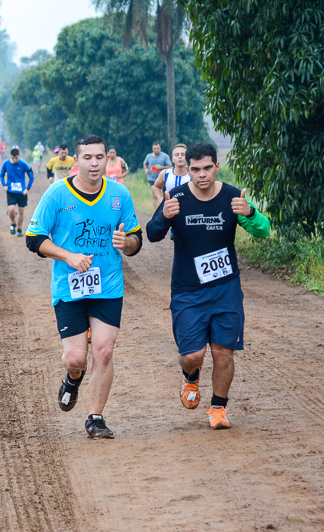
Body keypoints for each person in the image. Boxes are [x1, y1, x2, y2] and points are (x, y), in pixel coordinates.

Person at [24, 135, 143, 439]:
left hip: (108, 286)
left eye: (99, 157)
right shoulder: (56, 195)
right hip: (69, 287)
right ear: (76, 161)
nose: (94, 163)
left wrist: (125, 244)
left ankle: (95, 417)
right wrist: (69, 256)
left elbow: (135, 240)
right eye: (87, 157)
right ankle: (72, 378)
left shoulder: (119, 194)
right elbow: (33, 239)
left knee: (103, 351)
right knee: (77, 357)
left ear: (108, 160)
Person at [145, 142, 270, 429]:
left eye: (207, 168)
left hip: (226, 288)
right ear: (186, 170)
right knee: (193, 355)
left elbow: (263, 231)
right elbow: (151, 235)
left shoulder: (231, 197)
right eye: (195, 169)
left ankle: (218, 409)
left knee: (223, 352)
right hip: (188, 289)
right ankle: (191, 377)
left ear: (216, 166)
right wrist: (164, 216)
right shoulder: (175, 197)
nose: (202, 175)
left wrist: (250, 213)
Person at [0, 147, 34, 236]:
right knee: (11, 210)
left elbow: (31, 176)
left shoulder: (23, 163)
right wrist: (4, 185)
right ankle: (13, 223)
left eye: (16, 158)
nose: (15, 160)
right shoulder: (6, 163)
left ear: (18, 156)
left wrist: (27, 188)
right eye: (13, 158)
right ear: (10, 156)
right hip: (11, 191)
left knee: (21, 211)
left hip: (22, 192)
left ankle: (19, 229)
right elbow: (1, 175)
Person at [143, 142, 172, 209]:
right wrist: (146, 169)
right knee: (156, 195)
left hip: (163, 179)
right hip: (152, 179)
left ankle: (161, 211)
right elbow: (145, 163)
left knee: (163, 196)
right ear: (152, 149)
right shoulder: (149, 156)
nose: (156, 150)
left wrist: (161, 167)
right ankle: (157, 212)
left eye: (157, 148)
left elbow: (170, 166)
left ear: (160, 148)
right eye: (154, 148)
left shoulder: (165, 156)